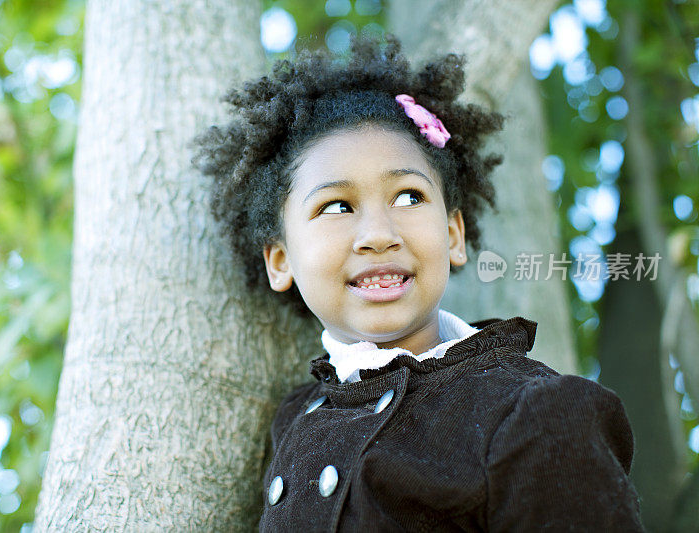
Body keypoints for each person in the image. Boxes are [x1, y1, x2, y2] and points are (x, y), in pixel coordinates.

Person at [192, 33, 645, 532]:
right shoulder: (294, 420)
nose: (379, 235)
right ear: (280, 260)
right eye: (336, 206)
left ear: (453, 234)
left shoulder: (538, 413)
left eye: (408, 197)